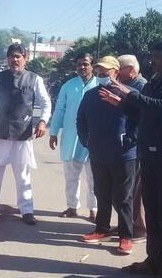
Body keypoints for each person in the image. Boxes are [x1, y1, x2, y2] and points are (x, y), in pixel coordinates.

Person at [100, 41, 162, 278]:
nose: (151, 61)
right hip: (149, 154)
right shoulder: (155, 80)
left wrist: (130, 93)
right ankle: (153, 260)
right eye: (151, 56)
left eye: (157, 57)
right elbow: (145, 114)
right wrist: (121, 103)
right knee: (151, 209)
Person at [0, 44, 52, 225]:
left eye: (18, 56)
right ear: (7, 59)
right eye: (12, 56)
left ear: (25, 59)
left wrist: (42, 121)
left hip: (22, 132)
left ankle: (26, 210)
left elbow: (46, 103)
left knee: (22, 173)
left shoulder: (34, 79)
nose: (15, 60)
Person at [77, 56, 138, 255]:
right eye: (99, 71)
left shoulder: (130, 94)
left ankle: (125, 236)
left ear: (116, 72)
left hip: (123, 156)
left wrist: (128, 141)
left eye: (106, 71)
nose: (102, 74)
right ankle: (102, 229)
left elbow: (140, 122)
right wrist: (87, 141)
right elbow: (81, 120)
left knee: (122, 197)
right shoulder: (90, 95)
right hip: (98, 153)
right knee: (101, 193)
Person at [49, 53, 98, 222]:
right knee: (71, 175)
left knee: (94, 176)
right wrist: (53, 132)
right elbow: (59, 110)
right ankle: (72, 207)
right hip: (71, 137)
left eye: (85, 64)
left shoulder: (99, 85)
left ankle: (94, 209)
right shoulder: (68, 86)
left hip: (94, 139)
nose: (82, 67)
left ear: (92, 66)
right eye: (79, 64)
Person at [117, 54, 148, 243]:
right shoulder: (132, 84)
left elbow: (141, 117)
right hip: (128, 143)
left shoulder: (141, 86)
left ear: (130, 69)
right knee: (126, 189)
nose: (117, 72)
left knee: (136, 189)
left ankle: (139, 228)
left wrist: (132, 139)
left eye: (119, 68)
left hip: (136, 144)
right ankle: (126, 223)